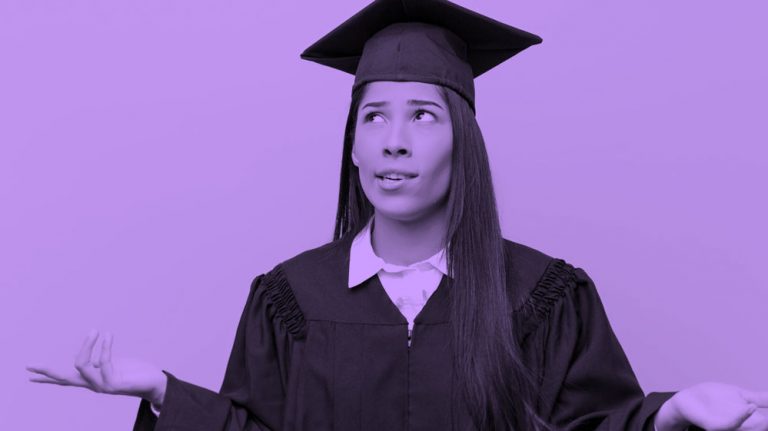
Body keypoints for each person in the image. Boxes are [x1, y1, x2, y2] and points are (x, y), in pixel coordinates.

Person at [26, 0, 768, 430]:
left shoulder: (542, 297)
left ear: (462, 142)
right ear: (352, 146)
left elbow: (591, 428)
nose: (395, 141)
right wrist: (162, 391)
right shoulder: (290, 299)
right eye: (374, 116)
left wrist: (671, 413)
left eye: (423, 115)